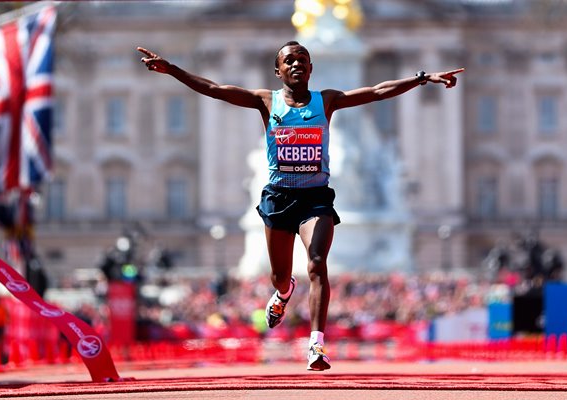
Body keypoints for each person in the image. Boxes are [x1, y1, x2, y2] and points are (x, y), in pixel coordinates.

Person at [138, 41, 463, 371]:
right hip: (278, 199)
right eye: (289, 61)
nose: (296, 65)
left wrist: (422, 78)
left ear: (310, 69)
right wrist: (173, 70)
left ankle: (316, 345)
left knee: (317, 262)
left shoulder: (327, 101)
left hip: (315, 198)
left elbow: (378, 91)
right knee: (281, 276)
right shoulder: (267, 101)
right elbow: (215, 89)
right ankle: (283, 293)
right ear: (278, 71)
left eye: (303, 60)